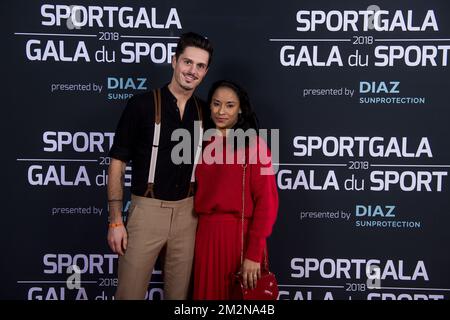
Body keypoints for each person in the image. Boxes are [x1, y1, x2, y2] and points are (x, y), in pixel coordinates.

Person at [106, 32, 213, 300]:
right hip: (146, 212)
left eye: (200, 66)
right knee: (129, 294)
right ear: (174, 61)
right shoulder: (141, 104)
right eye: (187, 62)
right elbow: (117, 163)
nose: (192, 71)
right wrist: (116, 220)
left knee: (180, 298)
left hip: (189, 216)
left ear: (206, 71)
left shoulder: (205, 112)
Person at [193, 80, 279, 300]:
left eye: (230, 105)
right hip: (205, 238)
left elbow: (267, 204)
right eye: (216, 103)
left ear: (240, 108)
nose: (221, 111)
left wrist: (254, 254)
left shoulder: (255, 146)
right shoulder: (199, 143)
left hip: (239, 239)